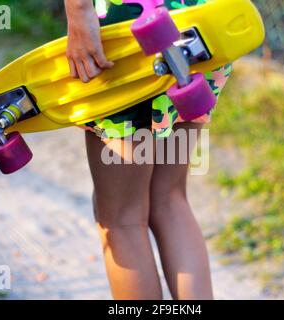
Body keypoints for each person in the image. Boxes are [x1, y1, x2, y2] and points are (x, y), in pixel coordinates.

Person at [64, 0, 232, 299]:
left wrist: (78, 11)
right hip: (201, 16)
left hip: (129, 27)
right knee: (169, 198)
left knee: (121, 219)